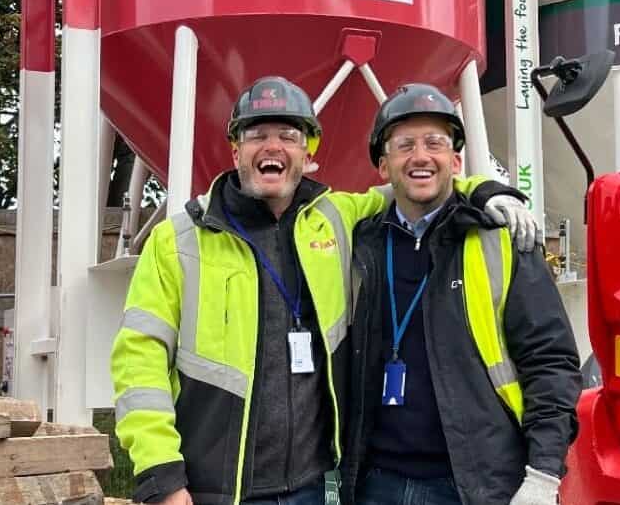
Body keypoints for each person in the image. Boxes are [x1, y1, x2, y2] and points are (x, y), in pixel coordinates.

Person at [111, 76, 538, 505]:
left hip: (312, 488)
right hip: (214, 490)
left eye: (289, 136)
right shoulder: (179, 239)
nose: (272, 147)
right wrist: (162, 475)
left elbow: (417, 183)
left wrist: (486, 192)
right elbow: (139, 361)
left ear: (308, 153)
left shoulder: (336, 218)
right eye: (257, 135)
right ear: (236, 150)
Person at [343, 84, 582, 505]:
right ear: (383, 166)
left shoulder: (500, 239)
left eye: (435, 143)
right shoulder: (360, 243)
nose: (420, 156)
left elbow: (550, 362)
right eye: (405, 145)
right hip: (375, 482)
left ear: (455, 161)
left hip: (476, 483)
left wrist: (544, 474)